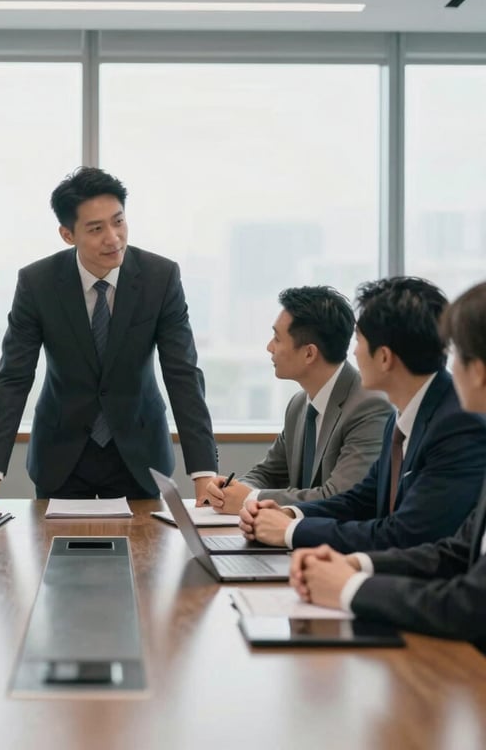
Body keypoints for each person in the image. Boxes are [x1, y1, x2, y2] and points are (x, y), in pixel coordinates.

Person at [0, 166, 217, 505]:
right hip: (61, 454)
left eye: (119, 221)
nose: (112, 237)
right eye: (96, 229)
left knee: (145, 556)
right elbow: (13, 378)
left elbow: (182, 374)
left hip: (139, 453)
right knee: (56, 555)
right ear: (68, 235)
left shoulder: (161, 277)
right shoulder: (37, 283)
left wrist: (204, 473)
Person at [290, 280, 486, 651]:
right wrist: (357, 565)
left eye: (459, 353)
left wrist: (349, 587)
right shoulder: (398, 418)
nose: (450, 364)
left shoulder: (459, 424)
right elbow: (457, 551)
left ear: (478, 371)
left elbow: (470, 604)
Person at [239, 276, 486, 553]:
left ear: (384, 357)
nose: (353, 352)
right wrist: (292, 515)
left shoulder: (457, 425)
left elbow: (405, 535)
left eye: (358, 340)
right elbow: (361, 500)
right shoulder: (402, 418)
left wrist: (292, 531)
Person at [206, 286, 391, 514]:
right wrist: (233, 490)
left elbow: (339, 495)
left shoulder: (369, 405)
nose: (269, 347)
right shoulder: (298, 404)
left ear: (309, 353)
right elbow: (269, 473)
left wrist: (250, 498)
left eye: (276, 338)